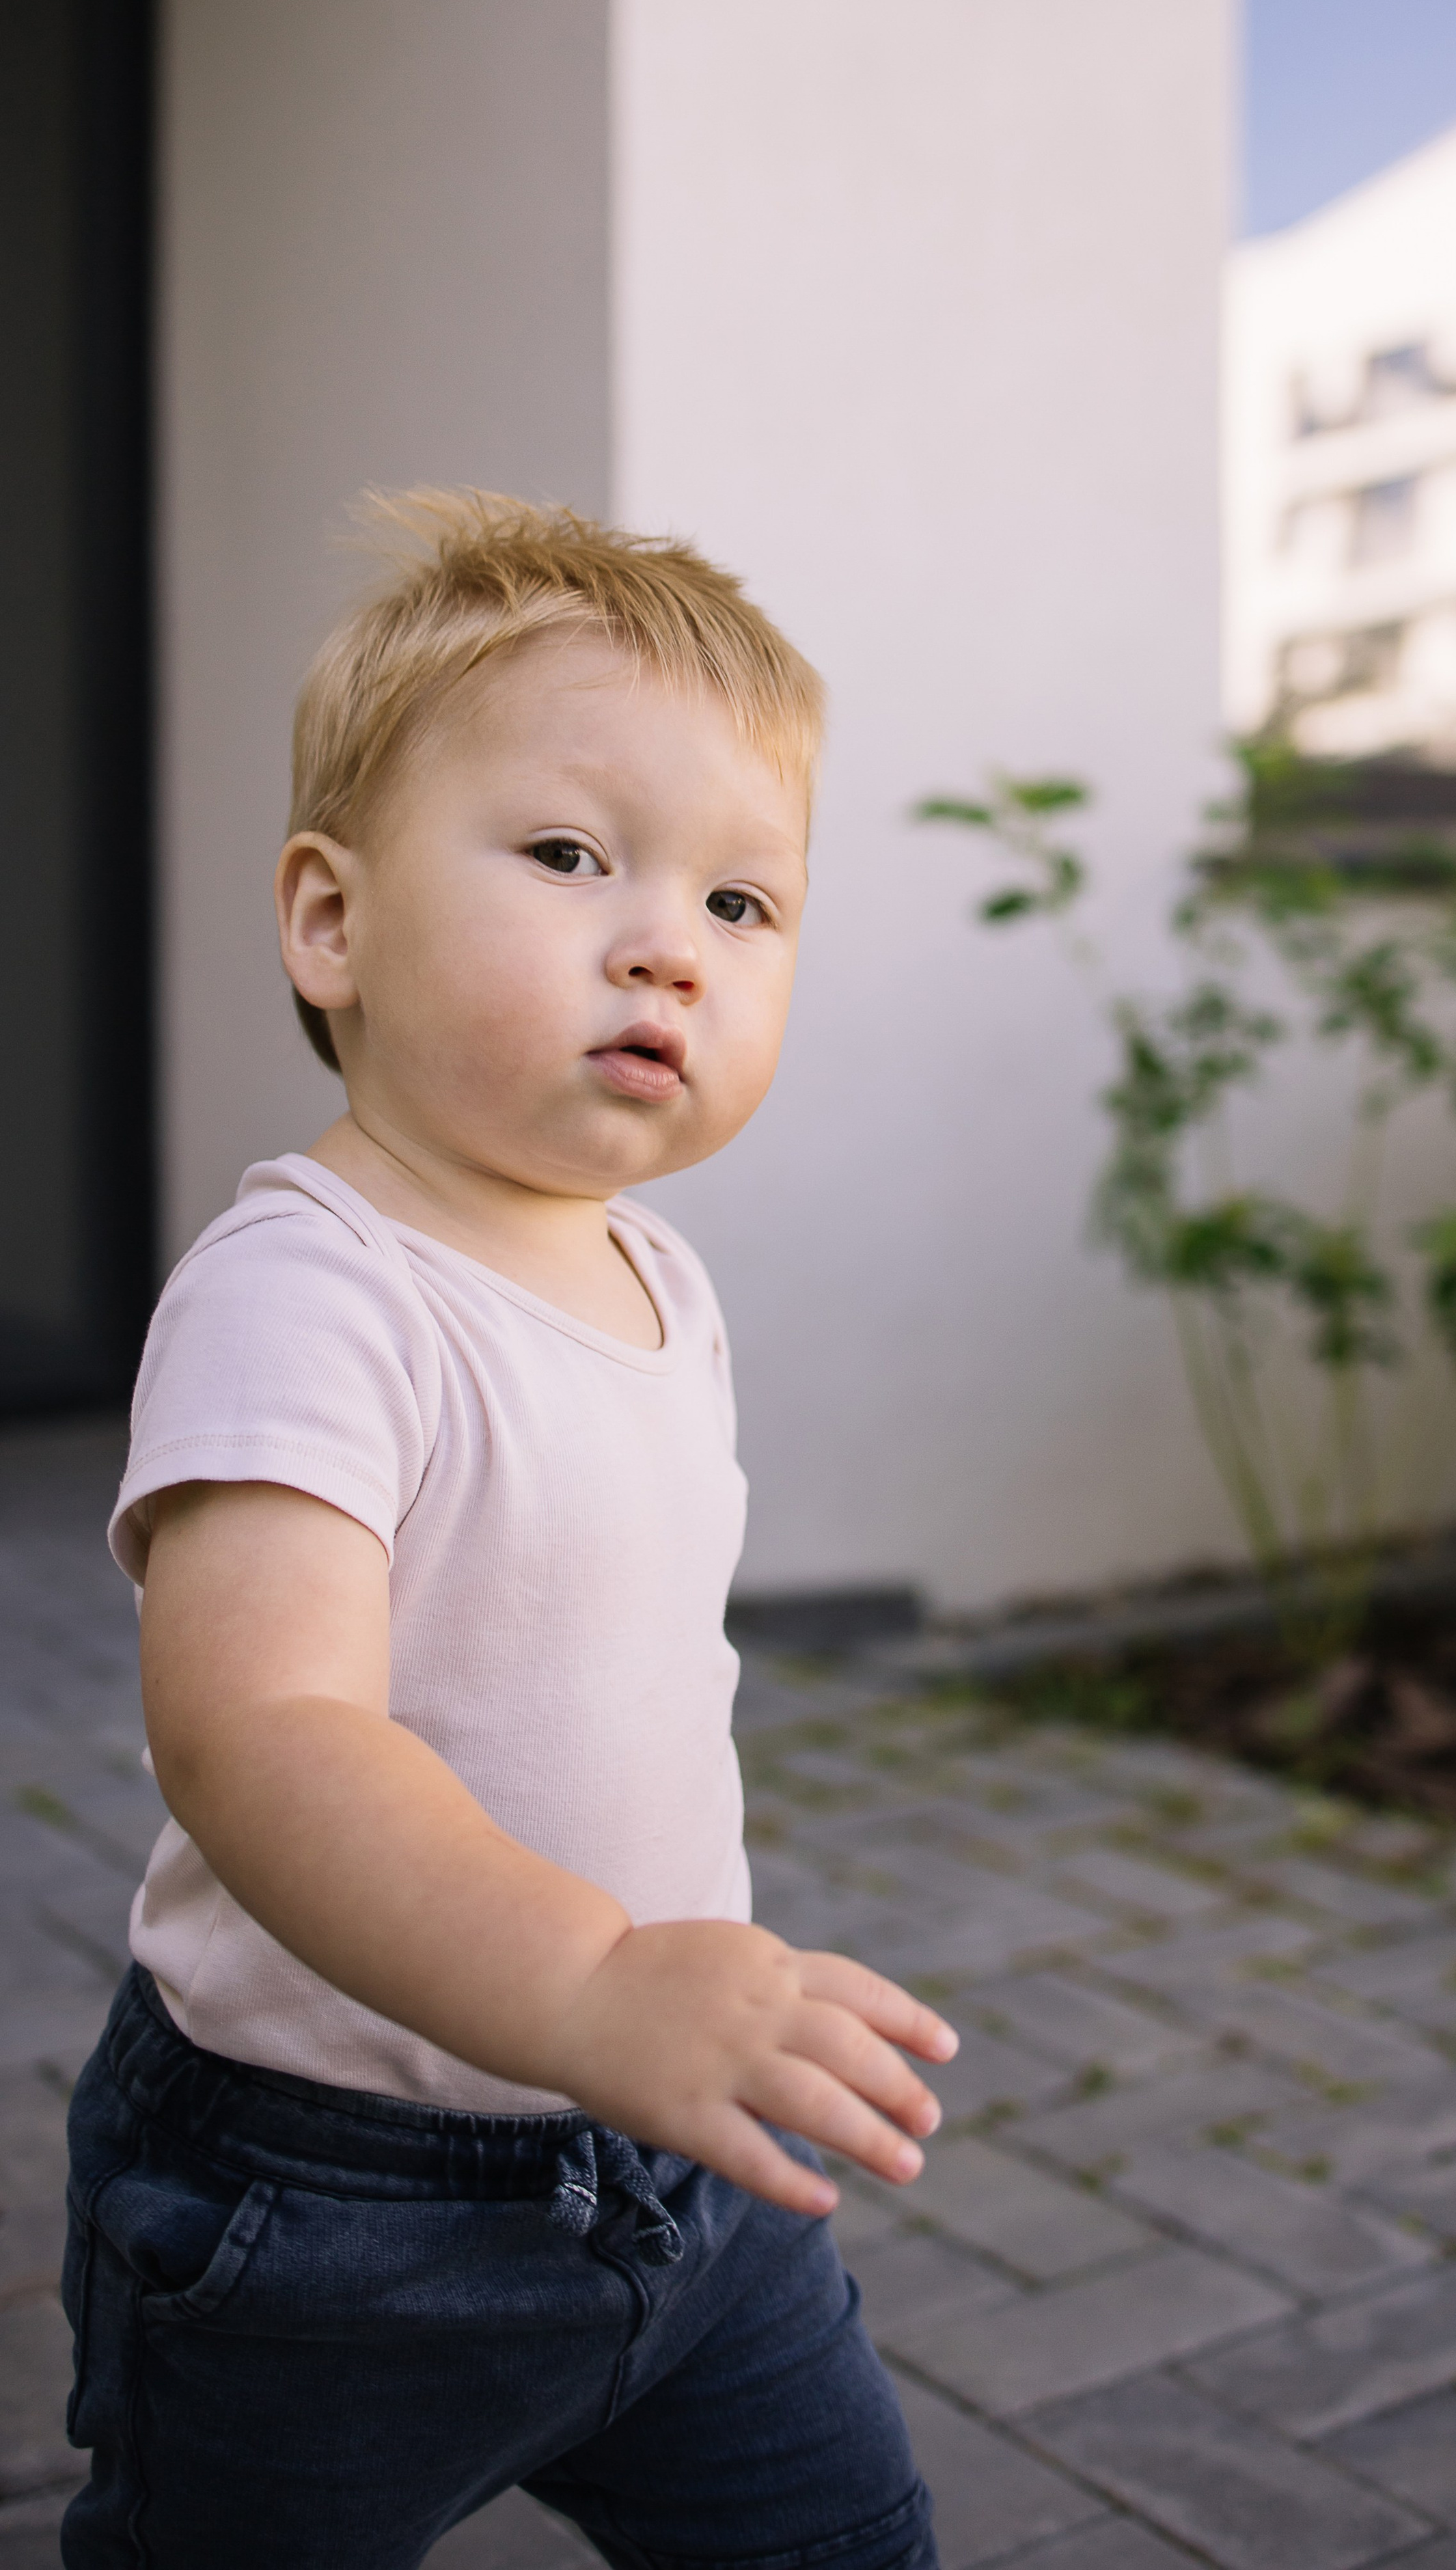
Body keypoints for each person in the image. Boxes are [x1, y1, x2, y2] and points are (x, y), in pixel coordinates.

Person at [61, 490, 954, 2570]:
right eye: (570, 855)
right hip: (330, 2210)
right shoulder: (314, 1285)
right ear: (330, 921)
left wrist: (643, 2011)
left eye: (744, 903)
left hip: (677, 2158)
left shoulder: (662, 1275)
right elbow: (261, 1728)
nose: (666, 939)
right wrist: (593, 1977)